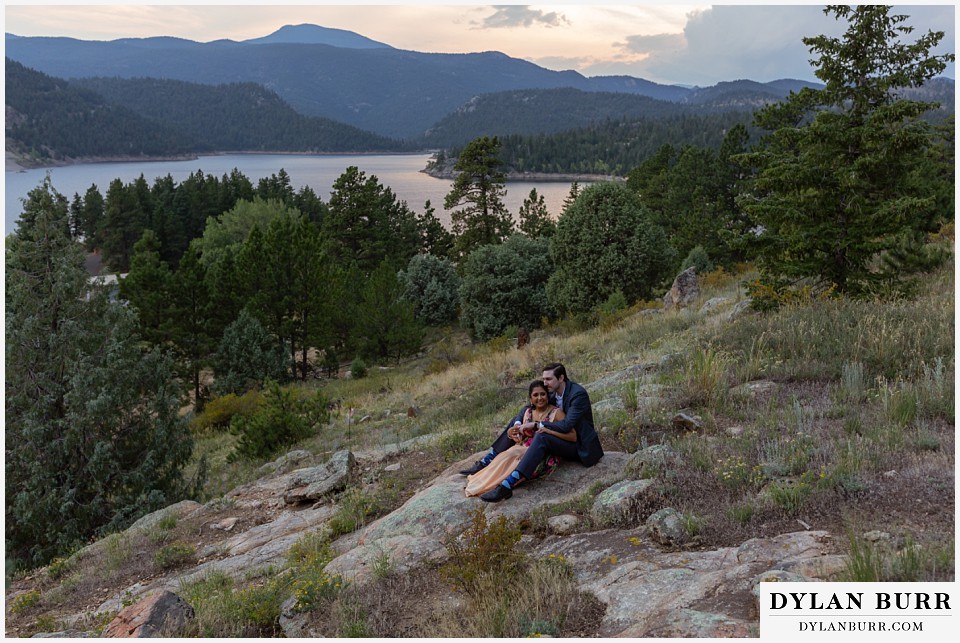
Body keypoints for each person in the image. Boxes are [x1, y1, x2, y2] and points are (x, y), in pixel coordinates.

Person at [460, 362, 604, 502]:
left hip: (578, 445)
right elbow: (527, 408)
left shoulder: (577, 395)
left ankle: (507, 485)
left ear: (561, 378)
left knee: (542, 436)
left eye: (548, 379)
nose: (545, 383)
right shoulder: (553, 393)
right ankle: (487, 460)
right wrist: (518, 424)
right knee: (516, 422)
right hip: (560, 440)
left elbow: (566, 425)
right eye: (544, 379)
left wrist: (535, 424)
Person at [464, 380, 568, 497]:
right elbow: (519, 433)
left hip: (540, 453)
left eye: (543, 394)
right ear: (530, 399)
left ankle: (502, 486)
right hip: (521, 448)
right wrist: (512, 432)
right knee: (505, 456)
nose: (540, 398)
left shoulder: (556, 413)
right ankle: (484, 477)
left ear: (548, 396)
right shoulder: (528, 412)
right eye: (535, 395)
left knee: (512, 458)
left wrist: (548, 431)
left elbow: (571, 434)